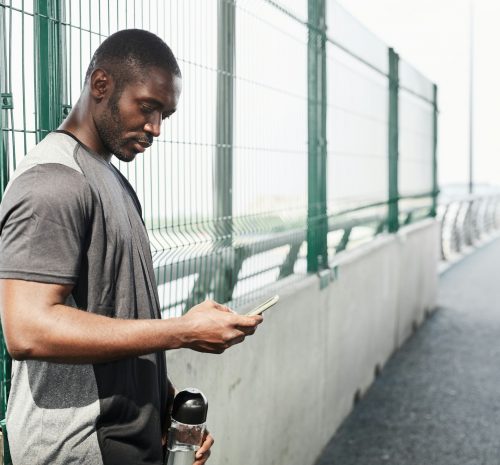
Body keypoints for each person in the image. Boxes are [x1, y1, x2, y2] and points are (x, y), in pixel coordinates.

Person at [0, 29, 262, 465]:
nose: (156, 128)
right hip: (78, 448)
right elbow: (27, 328)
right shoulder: (54, 182)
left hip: (126, 441)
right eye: (148, 107)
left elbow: (121, 316)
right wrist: (184, 330)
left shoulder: (112, 181)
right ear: (101, 85)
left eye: (165, 115)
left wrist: (166, 409)